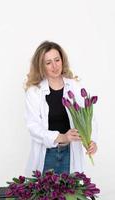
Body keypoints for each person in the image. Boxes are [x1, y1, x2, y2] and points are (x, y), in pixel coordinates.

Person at [24, 41, 97, 177]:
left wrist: (91, 140)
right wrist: (61, 137)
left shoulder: (75, 86)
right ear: (41, 66)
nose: (54, 66)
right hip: (47, 154)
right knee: (43, 195)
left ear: (62, 60)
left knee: (69, 195)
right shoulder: (34, 92)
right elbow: (33, 127)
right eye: (48, 62)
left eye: (57, 60)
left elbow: (89, 117)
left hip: (71, 152)